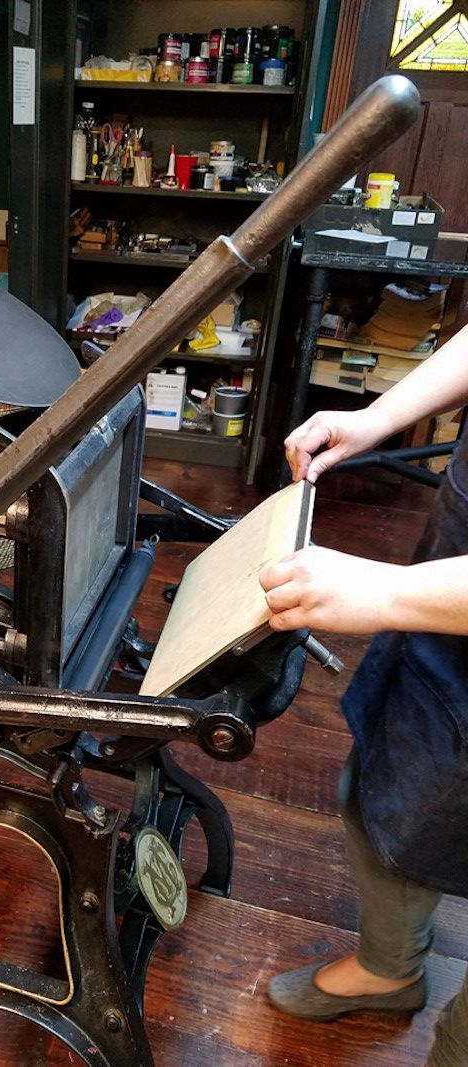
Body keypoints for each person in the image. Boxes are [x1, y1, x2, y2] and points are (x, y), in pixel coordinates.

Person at [258, 320, 468, 1067]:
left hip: (434, 598)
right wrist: (378, 416)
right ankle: (390, 967)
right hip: (448, 613)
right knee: (384, 787)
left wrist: (387, 588)